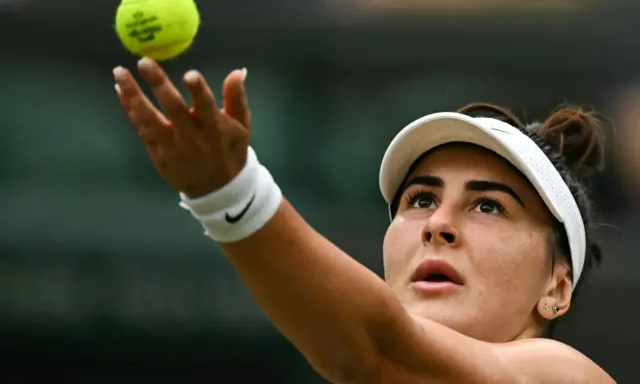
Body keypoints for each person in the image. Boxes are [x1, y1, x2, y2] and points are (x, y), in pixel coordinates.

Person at [113, 57, 616, 383]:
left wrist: (230, 193)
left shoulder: (564, 376)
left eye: (489, 206)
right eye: (419, 200)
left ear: (558, 287)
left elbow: (376, 346)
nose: (436, 224)